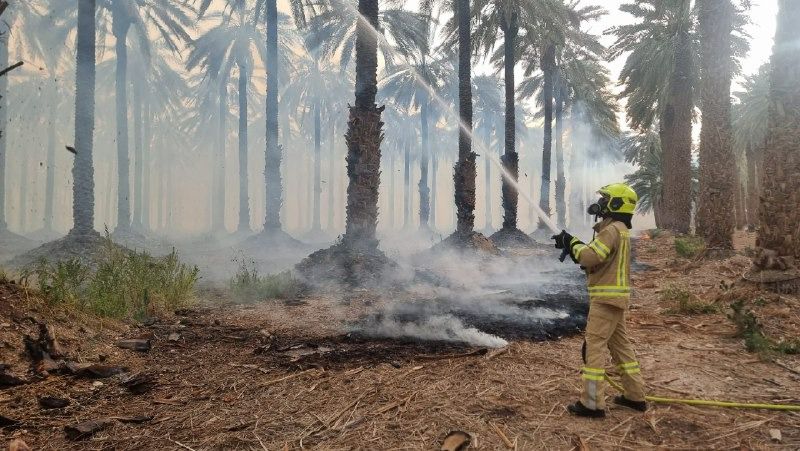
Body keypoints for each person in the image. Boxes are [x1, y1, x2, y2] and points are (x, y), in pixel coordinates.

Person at [551, 183, 647, 418]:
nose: (601, 203)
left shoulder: (611, 230)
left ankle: (592, 404)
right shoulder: (620, 229)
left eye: (605, 199)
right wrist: (572, 244)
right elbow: (596, 257)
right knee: (621, 347)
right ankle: (635, 396)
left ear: (616, 203)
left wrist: (571, 242)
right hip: (615, 298)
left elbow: (591, 257)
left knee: (594, 347)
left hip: (605, 299)